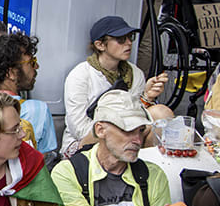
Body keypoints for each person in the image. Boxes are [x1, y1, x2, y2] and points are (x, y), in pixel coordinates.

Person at [51, 90, 170, 206]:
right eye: (128, 130)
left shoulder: (153, 175)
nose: (137, 140)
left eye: (140, 130)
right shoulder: (68, 172)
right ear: (100, 130)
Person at [61, 16, 168, 154]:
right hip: (88, 142)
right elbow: (79, 129)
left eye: (130, 37)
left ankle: (146, 168)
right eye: (121, 39)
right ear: (100, 45)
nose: (129, 43)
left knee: (162, 113)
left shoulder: (135, 73)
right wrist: (119, 129)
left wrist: (147, 97)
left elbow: (137, 115)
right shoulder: (81, 75)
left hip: (126, 137)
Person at [0, 32, 59, 155]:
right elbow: (43, 160)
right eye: (32, 62)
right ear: (11, 73)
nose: (37, 67)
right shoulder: (38, 110)